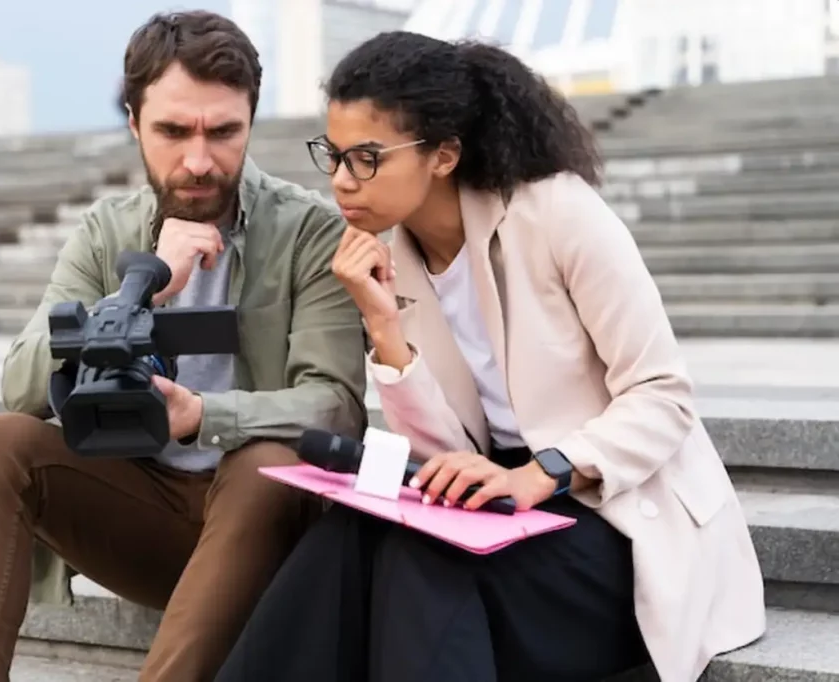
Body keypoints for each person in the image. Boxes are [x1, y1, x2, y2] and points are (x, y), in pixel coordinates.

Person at [214, 31, 766, 682]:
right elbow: (444, 453)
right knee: (348, 538)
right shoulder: (393, 260)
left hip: (619, 525)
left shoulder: (558, 214)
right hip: (502, 512)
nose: (340, 180)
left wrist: (543, 471)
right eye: (333, 155)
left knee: (424, 560)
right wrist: (384, 326)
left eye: (366, 158)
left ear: (444, 154)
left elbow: (663, 395)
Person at [0, 11, 368, 682]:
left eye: (224, 132)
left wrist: (204, 415)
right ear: (134, 124)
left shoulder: (309, 232)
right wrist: (140, 294)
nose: (199, 161)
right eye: (173, 131)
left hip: (270, 530)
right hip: (146, 516)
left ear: (251, 121)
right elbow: (21, 385)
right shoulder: (107, 231)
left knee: (266, 464)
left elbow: (335, 405)